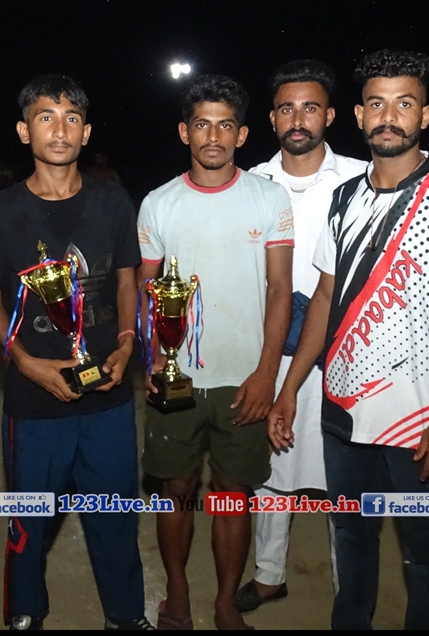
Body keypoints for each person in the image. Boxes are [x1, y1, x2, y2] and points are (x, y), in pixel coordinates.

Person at [270, 49, 429, 630]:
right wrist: (290, 389)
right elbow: (324, 299)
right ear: (358, 114)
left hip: (422, 426)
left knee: (426, 557)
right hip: (344, 415)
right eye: (377, 104)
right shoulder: (344, 197)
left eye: (404, 104)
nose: (389, 116)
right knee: (352, 540)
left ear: (425, 115)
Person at [0, 74, 151, 631]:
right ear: (24, 130)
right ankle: (25, 612)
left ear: (86, 131)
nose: (60, 129)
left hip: (108, 395)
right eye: (46, 117)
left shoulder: (112, 200)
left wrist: (127, 342)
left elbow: (126, 282)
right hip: (34, 402)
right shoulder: (0, 211)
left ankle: (126, 615)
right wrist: (25, 363)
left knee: (115, 515)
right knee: (29, 521)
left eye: (72, 118)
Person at [137, 74, 294, 631]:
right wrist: (154, 358)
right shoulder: (159, 203)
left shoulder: (268, 198)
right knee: (175, 490)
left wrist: (266, 373)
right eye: (202, 124)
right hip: (176, 379)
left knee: (233, 493)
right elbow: (147, 289)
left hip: (243, 380)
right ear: (185, 131)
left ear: (242, 134)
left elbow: (280, 288)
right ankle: (178, 591)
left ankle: (226, 600)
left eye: (225, 125)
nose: (213, 136)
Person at [238, 59, 367, 613]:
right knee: (271, 469)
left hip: (346, 353)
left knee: (344, 476)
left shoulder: (364, 179)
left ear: (330, 116)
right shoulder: (250, 184)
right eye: (286, 109)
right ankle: (269, 575)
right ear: (272, 119)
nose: (298, 119)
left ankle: (350, 593)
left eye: (310, 107)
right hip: (272, 348)